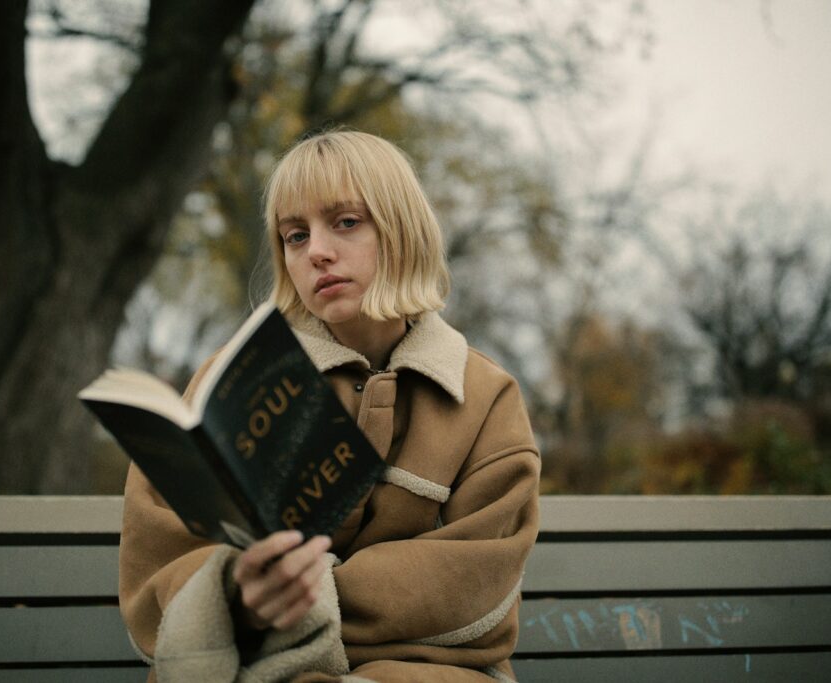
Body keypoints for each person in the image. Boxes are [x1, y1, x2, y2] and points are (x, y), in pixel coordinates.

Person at [119, 130, 541, 682]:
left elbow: (474, 583)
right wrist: (237, 596)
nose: (316, 251)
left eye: (345, 222)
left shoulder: (484, 395)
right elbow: (161, 560)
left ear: (402, 231)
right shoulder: (235, 380)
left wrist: (306, 597)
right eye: (295, 236)